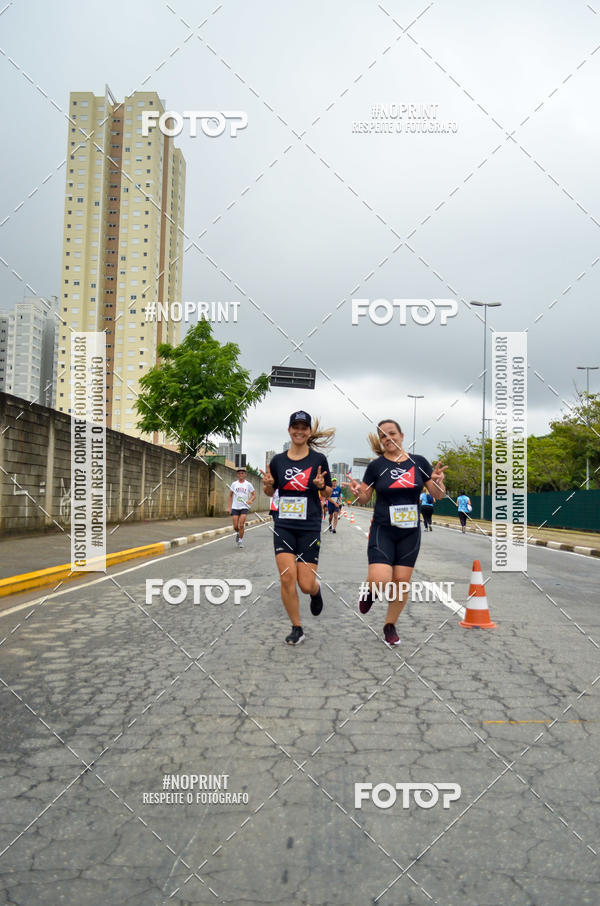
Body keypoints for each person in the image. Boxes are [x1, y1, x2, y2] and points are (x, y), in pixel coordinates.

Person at [349, 419, 447, 648]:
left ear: (402, 435)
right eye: (383, 436)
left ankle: (389, 625)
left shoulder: (419, 462)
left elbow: (438, 495)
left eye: (391, 433)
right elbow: (364, 497)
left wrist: (439, 483)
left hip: (410, 532)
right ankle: (370, 590)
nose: (388, 438)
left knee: (401, 582)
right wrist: (356, 492)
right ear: (381, 441)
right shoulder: (376, 466)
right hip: (383, 528)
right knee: (381, 579)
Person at [262, 411, 334, 645]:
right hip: (283, 525)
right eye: (296, 427)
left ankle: (315, 590)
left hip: (310, 526)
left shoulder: (318, 460)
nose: (299, 431)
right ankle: (297, 627)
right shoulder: (278, 461)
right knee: (287, 577)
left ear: (309, 431)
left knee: (304, 583)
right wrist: (268, 486)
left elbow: (328, 492)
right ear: (290, 429)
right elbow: (269, 492)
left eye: (304, 427)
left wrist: (322, 487)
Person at [227, 467, 256, 548]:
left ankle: (240, 541)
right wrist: (229, 507)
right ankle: (238, 533)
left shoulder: (248, 484)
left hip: (244, 507)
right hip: (235, 507)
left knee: (241, 524)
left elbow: (254, 495)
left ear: (245, 474)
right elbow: (230, 496)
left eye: (242, 473)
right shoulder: (234, 484)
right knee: (235, 526)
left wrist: (250, 500)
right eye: (239, 473)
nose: (241, 474)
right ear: (237, 475)